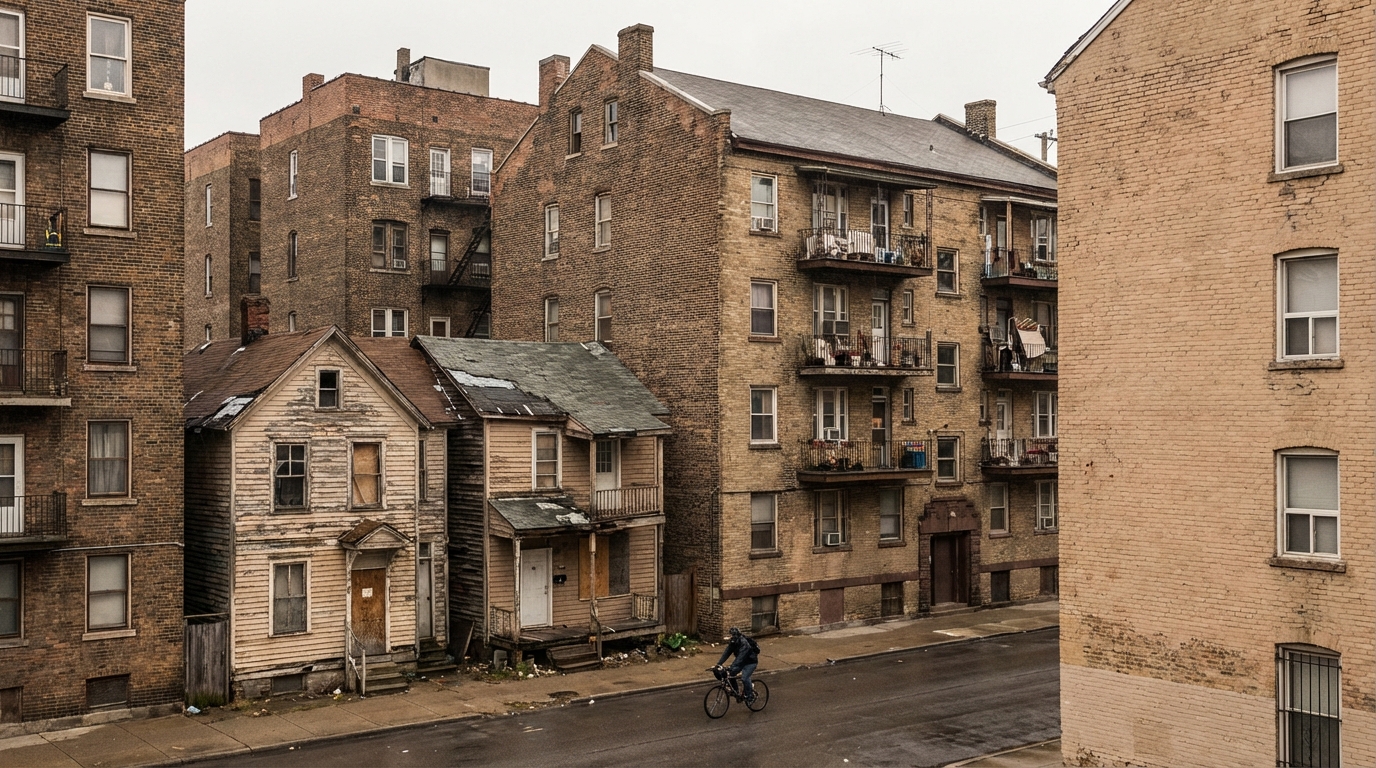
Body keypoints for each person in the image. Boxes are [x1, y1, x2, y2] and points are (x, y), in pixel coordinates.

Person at [715, 627, 760, 702]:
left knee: (745, 677)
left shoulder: (744, 643)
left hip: (750, 662)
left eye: (732, 635)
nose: (730, 637)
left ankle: (750, 695)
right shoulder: (733, 642)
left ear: (736, 635)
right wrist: (719, 664)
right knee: (730, 675)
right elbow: (727, 653)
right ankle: (736, 692)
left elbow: (740, 657)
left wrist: (732, 666)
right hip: (741, 663)